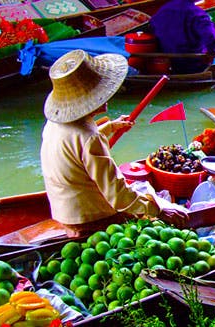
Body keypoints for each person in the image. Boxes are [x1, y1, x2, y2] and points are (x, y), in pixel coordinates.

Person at [40, 49, 188, 237]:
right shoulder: (90, 137)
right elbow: (118, 196)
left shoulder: (55, 122)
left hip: (63, 211)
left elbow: (74, 146)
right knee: (155, 224)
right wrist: (158, 210)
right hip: (91, 218)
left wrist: (110, 127)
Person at [149, 0, 215, 74]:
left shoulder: (162, 11)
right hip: (192, 63)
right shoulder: (196, 13)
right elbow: (211, 37)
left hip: (168, 63)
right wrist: (211, 53)